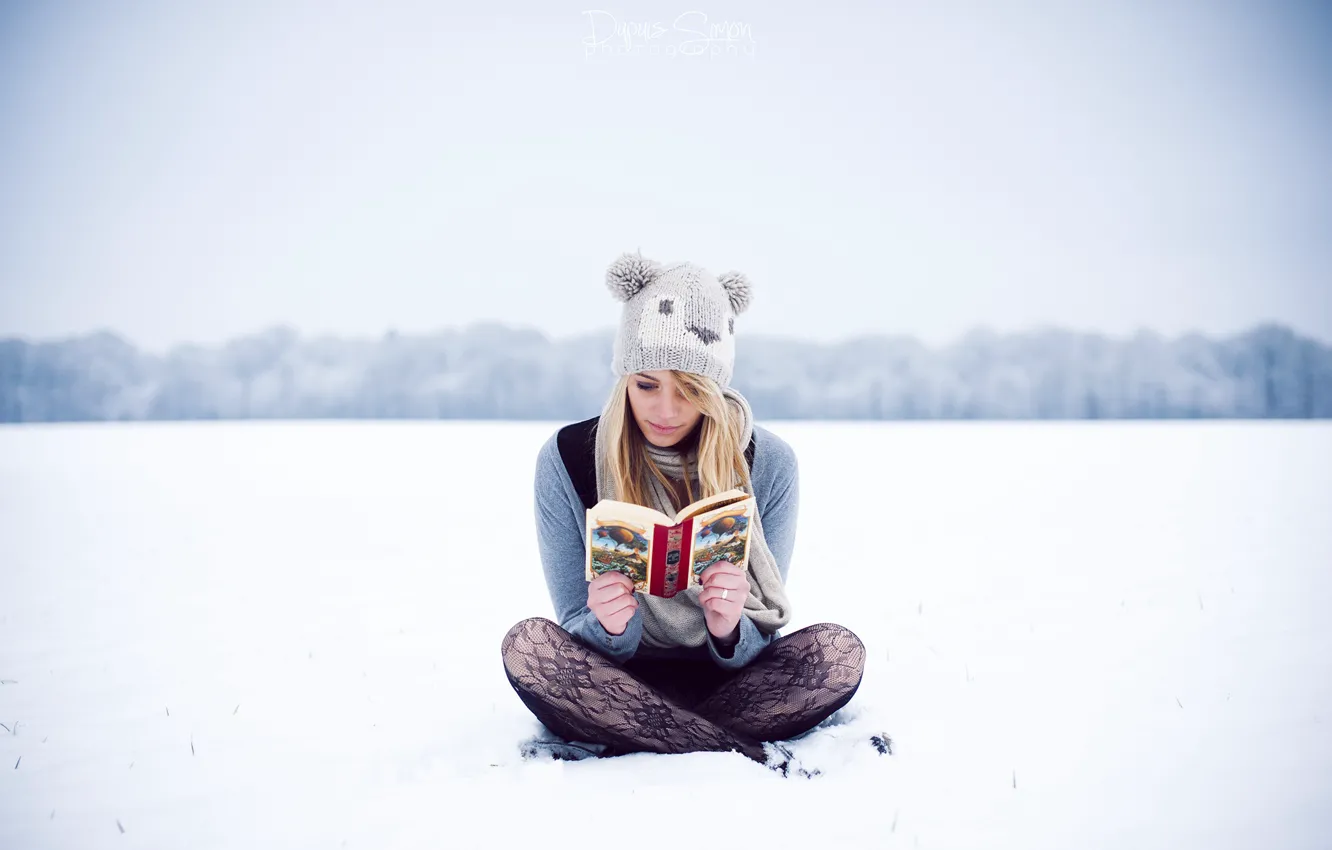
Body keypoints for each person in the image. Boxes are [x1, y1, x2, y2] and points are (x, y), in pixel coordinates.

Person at [501, 250, 866, 767]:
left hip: (731, 683)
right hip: (615, 680)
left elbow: (762, 639)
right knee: (531, 648)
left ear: (715, 389)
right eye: (646, 385)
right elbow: (572, 626)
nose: (665, 411)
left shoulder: (771, 463)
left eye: (690, 391)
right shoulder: (567, 458)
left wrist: (728, 627)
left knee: (835, 654)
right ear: (623, 376)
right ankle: (728, 747)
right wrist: (609, 625)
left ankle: (650, 736)